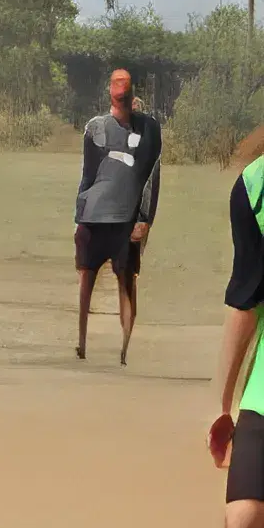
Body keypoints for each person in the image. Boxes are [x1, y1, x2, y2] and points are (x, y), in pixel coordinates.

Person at [74, 67, 160, 365]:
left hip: (126, 221)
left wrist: (145, 218)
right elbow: (88, 174)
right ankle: (82, 345)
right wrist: (80, 215)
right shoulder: (96, 128)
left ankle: (124, 351)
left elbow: (151, 177)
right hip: (95, 217)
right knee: (87, 278)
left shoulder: (149, 131)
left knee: (126, 282)